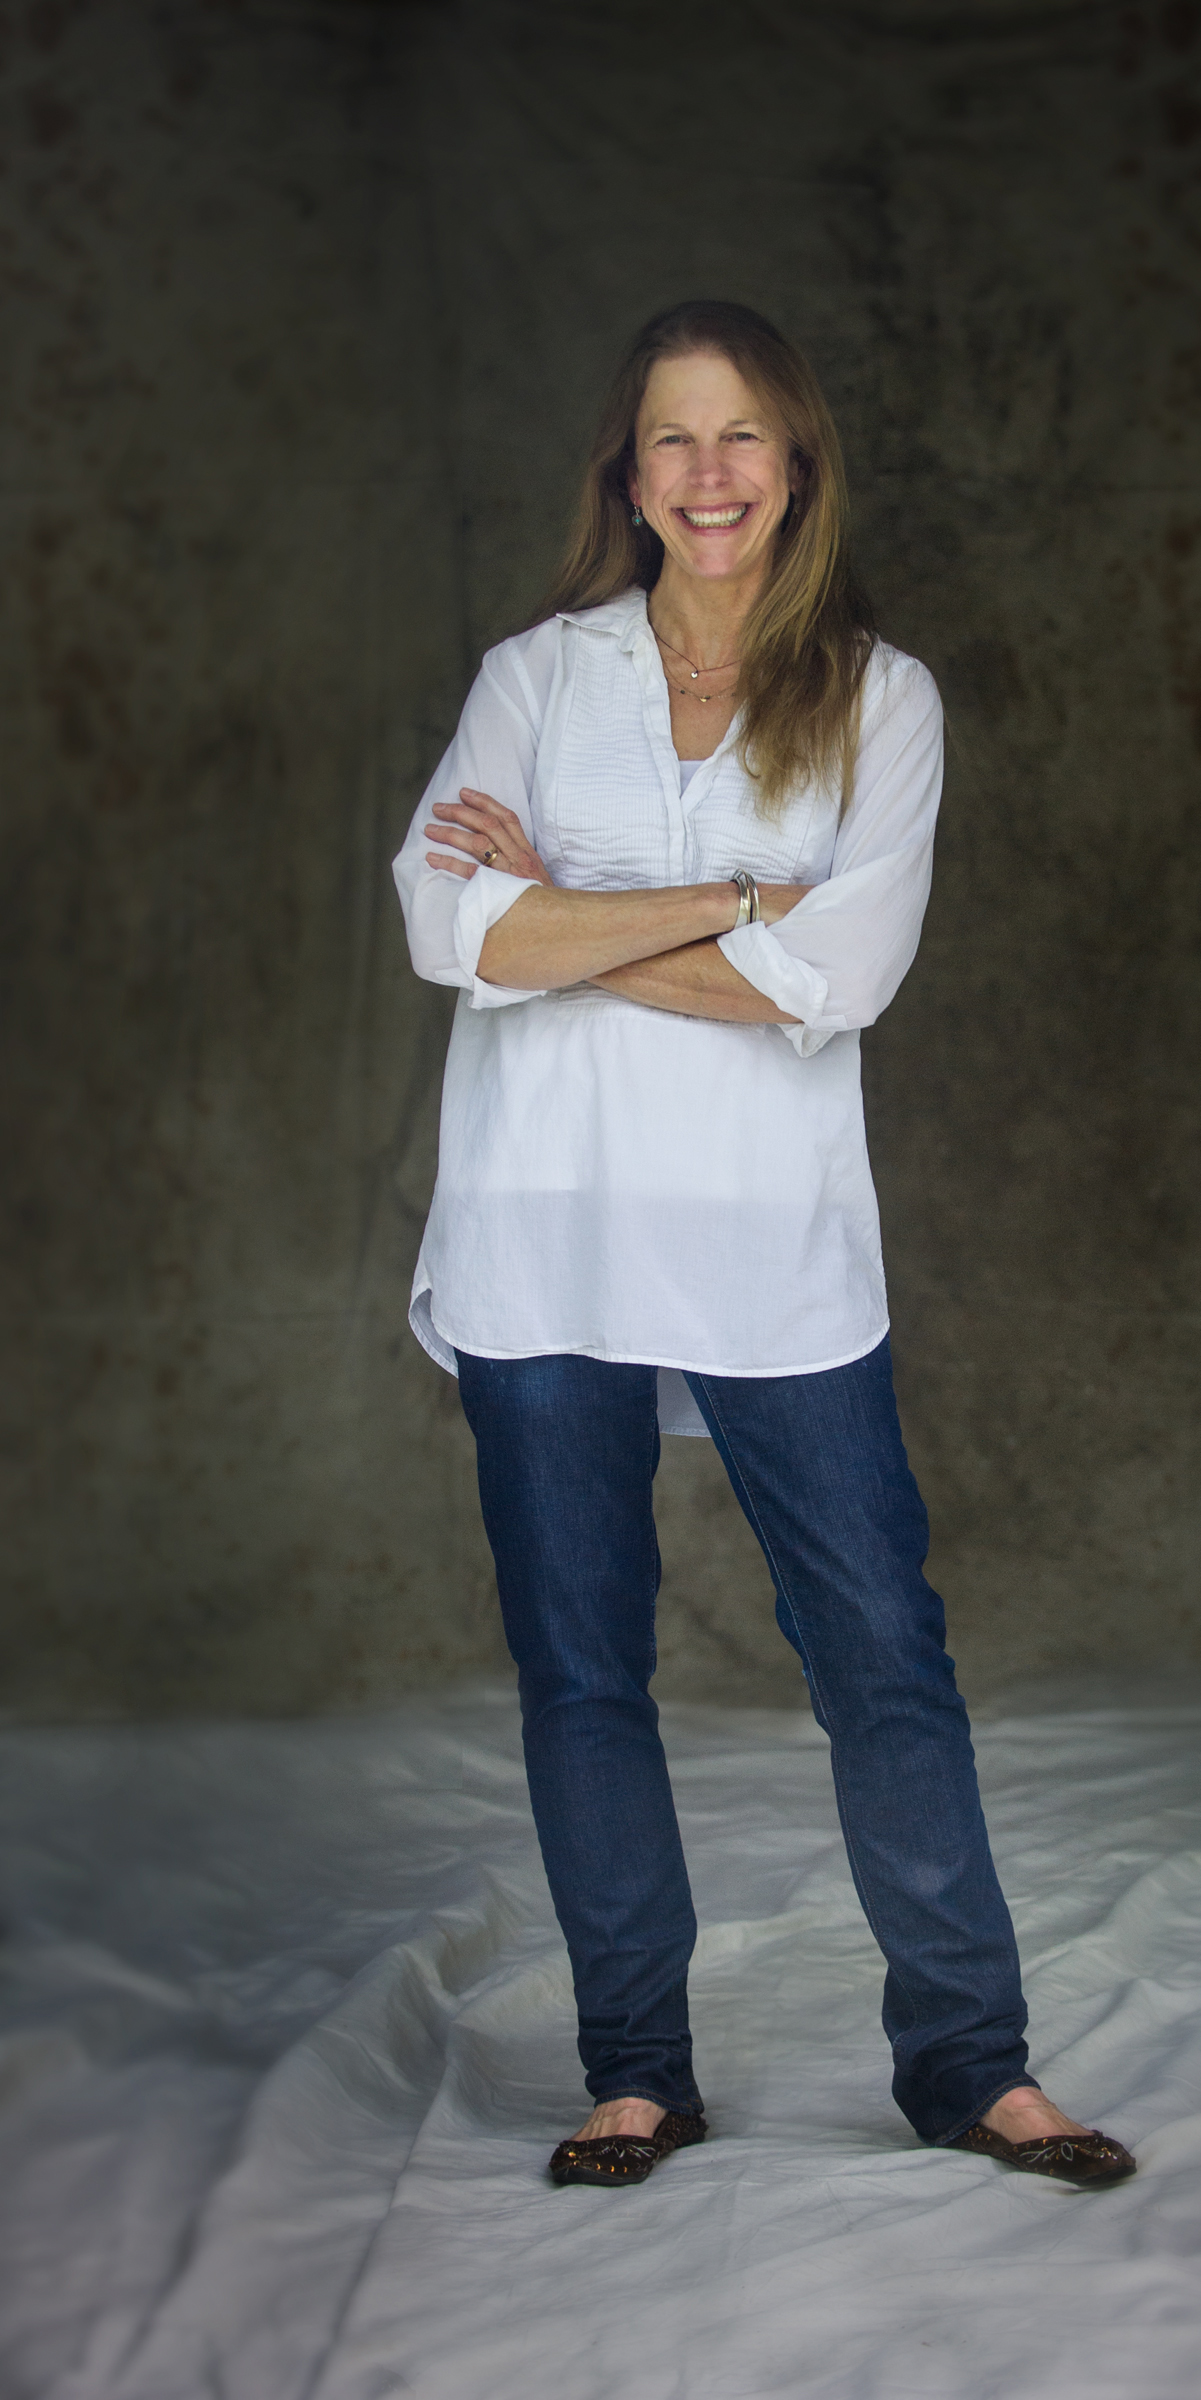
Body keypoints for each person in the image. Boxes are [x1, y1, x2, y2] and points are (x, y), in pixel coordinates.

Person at [391, 300, 1134, 2194]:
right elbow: (444, 929)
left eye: (741, 437)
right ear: (626, 473)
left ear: (794, 465)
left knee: (881, 1651)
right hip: (542, 1231)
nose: (707, 472)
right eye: (672, 437)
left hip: (768, 1243)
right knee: (581, 1667)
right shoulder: (534, 676)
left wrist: (561, 920)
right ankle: (635, 2072)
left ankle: (970, 2065)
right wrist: (733, 901)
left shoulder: (880, 697)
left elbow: (840, 975)